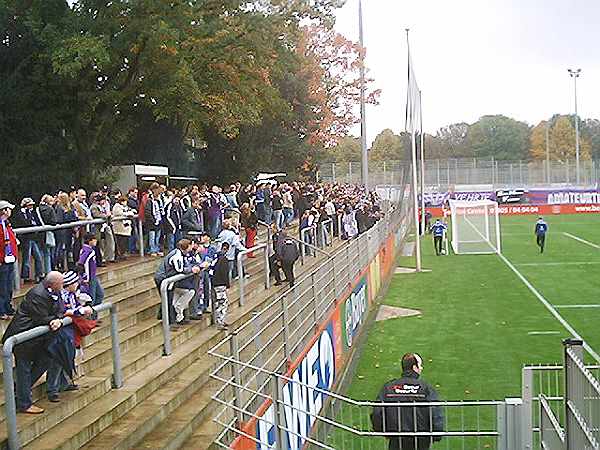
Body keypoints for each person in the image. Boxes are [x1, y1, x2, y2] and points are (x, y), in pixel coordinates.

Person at [2, 272, 65, 414]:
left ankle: (20, 391)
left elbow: (60, 309)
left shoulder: (54, 292)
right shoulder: (37, 294)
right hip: (22, 337)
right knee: (23, 369)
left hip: (35, 339)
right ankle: (24, 403)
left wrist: (58, 318)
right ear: (53, 283)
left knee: (46, 360)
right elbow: (41, 317)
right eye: (61, 283)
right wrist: (54, 319)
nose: (63, 285)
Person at [371, 353, 444, 450]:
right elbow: (436, 412)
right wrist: (436, 434)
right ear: (414, 367)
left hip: (397, 438)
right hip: (421, 439)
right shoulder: (425, 388)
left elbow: (377, 412)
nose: (421, 368)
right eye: (420, 365)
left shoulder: (389, 387)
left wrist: (383, 431)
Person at [154, 239, 201, 329]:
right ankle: (170, 322)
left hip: (168, 278)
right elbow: (179, 269)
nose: (192, 248)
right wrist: (191, 270)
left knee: (167, 298)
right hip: (163, 278)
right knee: (168, 299)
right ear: (187, 246)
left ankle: (162, 315)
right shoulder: (177, 255)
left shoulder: (181, 254)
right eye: (191, 245)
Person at [13, 197, 45, 283]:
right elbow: (24, 223)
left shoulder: (32, 213)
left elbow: (36, 221)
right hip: (26, 238)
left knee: (38, 257)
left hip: (33, 237)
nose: (31, 207)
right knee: (26, 258)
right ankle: (25, 276)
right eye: (29, 205)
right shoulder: (20, 213)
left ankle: (39, 275)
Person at [0, 200, 18, 319]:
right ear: (4, 211)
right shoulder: (1, 225)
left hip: (10, 258)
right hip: (3, 260)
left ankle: (7, 306)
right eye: (9, 209)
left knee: (9, 285)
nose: (10, 211)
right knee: (2, 286)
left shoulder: (7, 224)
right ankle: (1, 309)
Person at [77, 233, 104, 306]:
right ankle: (91, 315)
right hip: (90, 278)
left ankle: (94, 312)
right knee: (91, 298)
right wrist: (86, 278)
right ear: (89, 241)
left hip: (93, 276)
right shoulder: (88, 251)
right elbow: (82, 263)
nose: (96, 241)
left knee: (100, 294)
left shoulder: (87, 249)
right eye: (94, 239)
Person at [210, 242, 231, 330]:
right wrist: (227, 284)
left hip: (214, 283)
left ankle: (218, 321)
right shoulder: (224, 260)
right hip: (221, 284)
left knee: (217, 302)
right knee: (222, 303)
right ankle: (220, 322)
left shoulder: (215, 258)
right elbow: (224, 273)